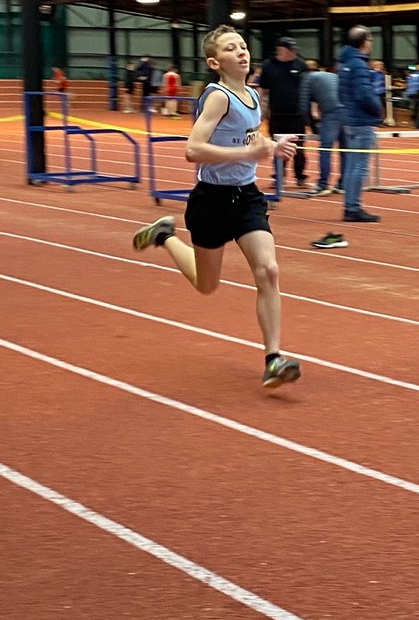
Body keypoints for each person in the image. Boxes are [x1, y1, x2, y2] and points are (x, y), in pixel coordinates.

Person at [132, 24, 301, 390]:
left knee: (269, 270)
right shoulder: (218, 96)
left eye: (243, 45)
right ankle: (165, 237)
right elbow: (193, 150)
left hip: (247, 198)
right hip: (211, 200)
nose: (241, 51)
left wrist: (272, 147)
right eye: (231, 48)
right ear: (214, 61)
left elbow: (251, 138)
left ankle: (273, 359)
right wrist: (250, 151)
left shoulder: (254, 96)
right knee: (207, 285)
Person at [338, 26, 382, 223]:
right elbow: (364, 94)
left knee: (351, 165)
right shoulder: (359, 64)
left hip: (349, 119)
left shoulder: (345, 63)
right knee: (360, 166)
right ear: (364, 42)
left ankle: (350, 205)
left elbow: (341, 93)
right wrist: (377, 109)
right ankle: (352, 207)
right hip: (361, 120)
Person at [258, 36, 308, 187]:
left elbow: (308, 88)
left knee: (299, 148)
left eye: (294, 50)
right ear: (280, 50)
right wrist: (260, 109)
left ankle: (300, 177)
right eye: (290, 50)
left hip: (297, 115)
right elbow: (263, 89)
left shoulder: (300, 64)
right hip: (277, 114)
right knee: (278, 147)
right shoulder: (268, 66)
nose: (293, 53)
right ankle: (279, 176)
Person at [299, 61, 345, 195]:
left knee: (325, 148)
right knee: (345, 149)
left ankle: (322, 184)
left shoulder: (306, 80)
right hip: (347, 111)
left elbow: (303, 105)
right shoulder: (330, 76)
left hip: (331, 112)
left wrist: (311, 126)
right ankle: (343, 184)